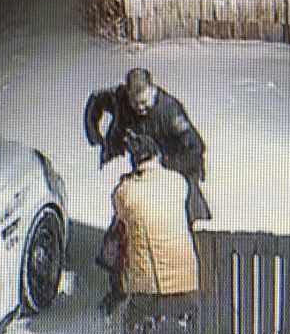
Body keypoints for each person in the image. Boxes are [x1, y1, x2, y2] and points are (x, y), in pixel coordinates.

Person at [105, 134, 200, 334]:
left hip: (150, 294)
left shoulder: (126, 191)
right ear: (158, 156)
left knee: (121, 236)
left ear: (134, 161)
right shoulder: (179, 183)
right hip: (189, 286)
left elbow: (119, 212)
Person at [84, 68, 212, 223]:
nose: (140, 108)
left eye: (144, 103)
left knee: (179, 217)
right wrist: (95, 136)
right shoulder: (120, 98)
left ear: (153, 90)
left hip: (174, 167)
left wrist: (164, 162)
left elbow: (196, 147)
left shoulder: (170, 110)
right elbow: (96, 100)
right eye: (135, 103)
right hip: (144, 166)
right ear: (128, 94)